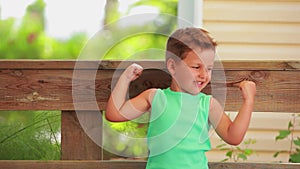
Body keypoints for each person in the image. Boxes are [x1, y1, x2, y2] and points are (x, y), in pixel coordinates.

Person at [105, 27, 256, 169]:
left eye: (209, 68)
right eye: (196, 67)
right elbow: (115, 114)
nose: (204, 75)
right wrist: (125, 78)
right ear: (172, 67)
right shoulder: (155, 97)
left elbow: (233, 137)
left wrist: (248, 100)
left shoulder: (207, 104)